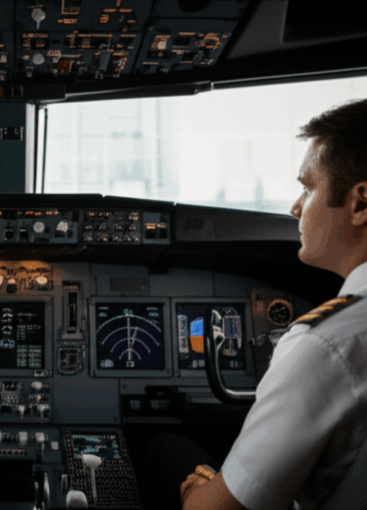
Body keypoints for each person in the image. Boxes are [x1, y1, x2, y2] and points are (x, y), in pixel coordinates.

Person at [146, 99, 367, 510]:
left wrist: (197, 490)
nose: (295, 208)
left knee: (167, 449)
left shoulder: (325, 345)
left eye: (308, 187)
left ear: (360, 204)